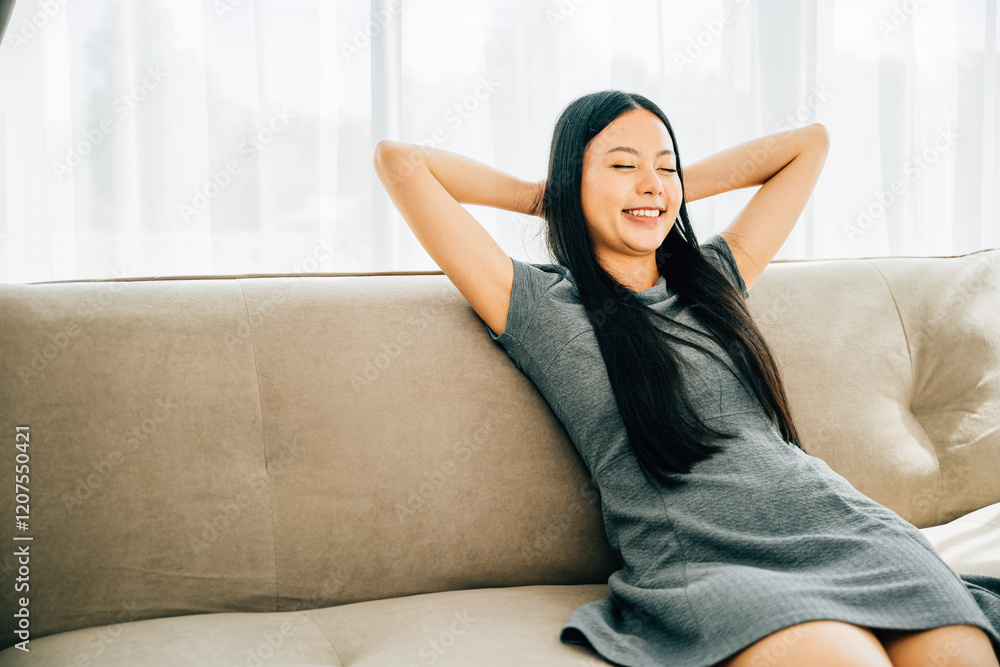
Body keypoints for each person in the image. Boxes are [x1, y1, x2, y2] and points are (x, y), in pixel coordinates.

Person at [373, 89, 1000, 667]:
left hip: (841, 524)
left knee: (961, 655)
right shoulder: (538, 305)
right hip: (707, 557)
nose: (649, 182)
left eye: (665, 165)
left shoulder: (713, 280)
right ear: (574, 179)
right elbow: (400, 161)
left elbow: (809, 143)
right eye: (621, 165)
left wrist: (655, 189)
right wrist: (552, 194)